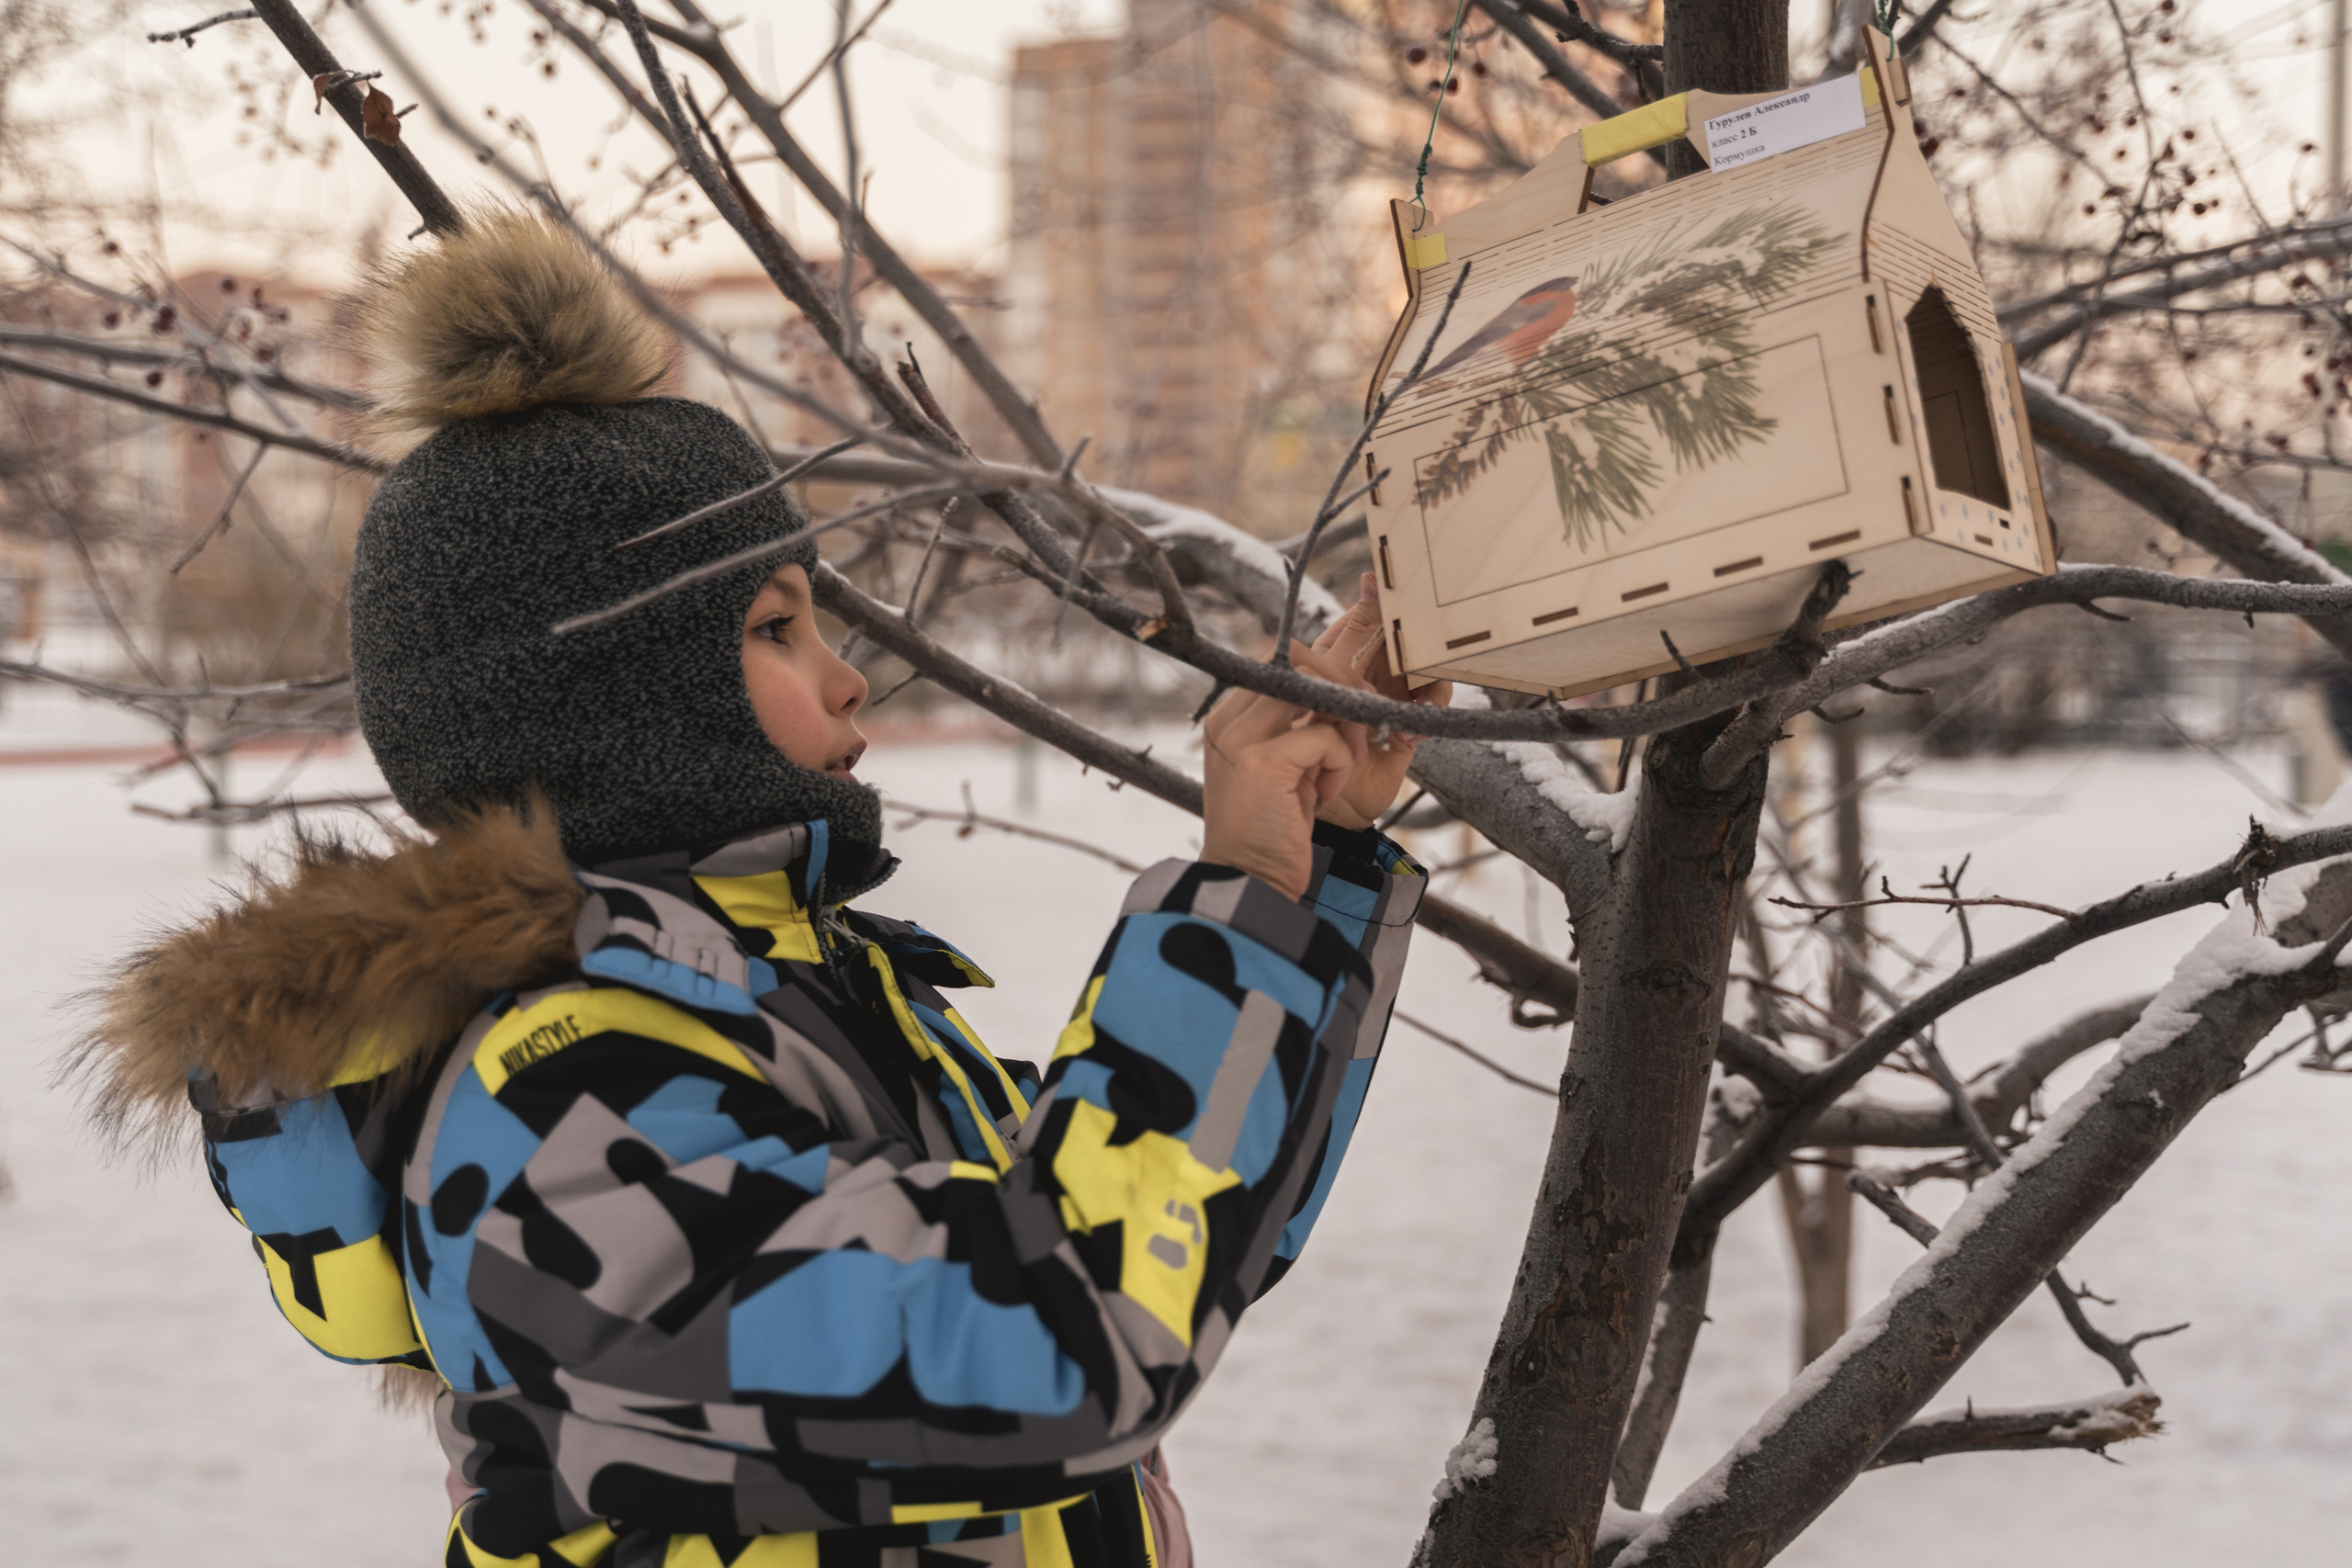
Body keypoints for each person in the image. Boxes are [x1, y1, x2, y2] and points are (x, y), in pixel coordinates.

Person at [75, 209, 1448, 1568]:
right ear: (615, 700)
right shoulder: (560, 1098)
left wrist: (1307, 864)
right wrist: (1244, 893)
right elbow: (1059, 1342)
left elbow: (1189, 1229)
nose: (849, 677)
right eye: (777, 627)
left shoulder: (803, 1007)